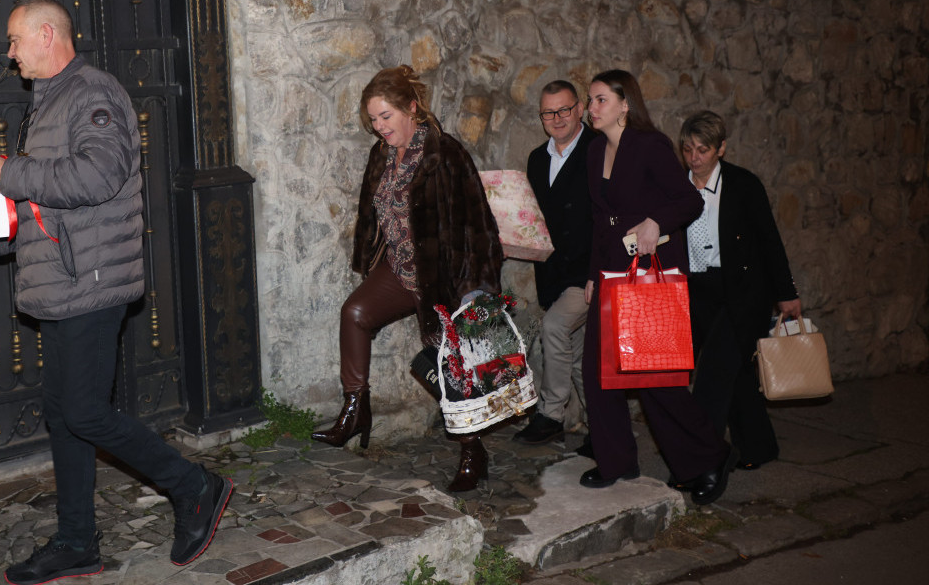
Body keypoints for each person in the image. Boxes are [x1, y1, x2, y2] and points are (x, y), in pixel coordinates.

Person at [0, 0, 232, 584]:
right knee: (64, 416)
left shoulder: (92, 93)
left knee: (84, 411)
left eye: (15, 40)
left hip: (92, 282)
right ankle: (77, 542)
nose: (9, 53)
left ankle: (194, 486)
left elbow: (98, 177)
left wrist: (8, 173)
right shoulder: (48, 103)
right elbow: (49, 200)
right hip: (61, 283)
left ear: (46, 34)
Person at [310, 64, 504, 493]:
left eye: (386, 116)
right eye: (373, 119)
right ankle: (355, 411)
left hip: (443, 278)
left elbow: (480, 225)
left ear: (411, 108)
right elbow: (373, 214)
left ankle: (473, 451)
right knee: (355, 312)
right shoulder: (380, 154)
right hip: (400, 270)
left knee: (449, 364)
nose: (380, 127)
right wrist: (368, 253)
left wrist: (477, 288)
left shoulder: (445, 154)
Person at [579, 69, 735, 506]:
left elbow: (688, 200)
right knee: (598, 371)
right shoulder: (594, 151)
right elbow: (599, 220)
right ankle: (616, 461)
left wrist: (655, 222)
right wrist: (592, 273)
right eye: (590, 100)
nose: (591, 108)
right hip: (611, 271)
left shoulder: (650, 145)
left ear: (625, 104)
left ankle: (708, 457)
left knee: (654, 379)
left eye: (600, 99)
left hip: (648, 272)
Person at [680, 110, 801, 471]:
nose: (694, 158)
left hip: (742, 293)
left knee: (713, 376)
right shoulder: (676, 187)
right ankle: (759, 447)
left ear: (721, 149)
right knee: (738, 377)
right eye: (687, 149)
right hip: (695, 292)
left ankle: (702, 463)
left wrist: (786, 292)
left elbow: (769, 240)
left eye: (703, 149)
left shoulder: (743, 185)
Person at [513, 81, 592, 449]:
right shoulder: (536, 159)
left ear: (579, 109)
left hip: (589, 272)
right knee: (575, 355)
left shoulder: (598, 150)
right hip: (553, 273)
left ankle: (550, 415)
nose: (557, 118)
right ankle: (604, 424)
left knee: (555, 328)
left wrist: (599, 271)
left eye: (564, 109)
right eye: (549, 112)